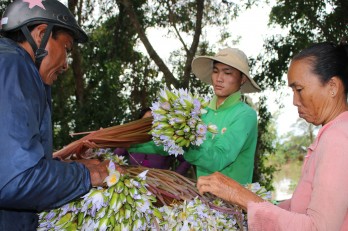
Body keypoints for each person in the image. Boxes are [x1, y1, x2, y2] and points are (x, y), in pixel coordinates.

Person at [197, 41, 348, 230]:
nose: (294, 101)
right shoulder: (334, 132)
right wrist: (253, 202)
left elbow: (317, 227)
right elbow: (299, 208)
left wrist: (239, 196)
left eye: (299, 89)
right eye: (292, 91)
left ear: (332, 86)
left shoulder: (338, 139)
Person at [0, 0, 114, 229]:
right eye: (67, 49)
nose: (66, 64)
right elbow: (15, 179)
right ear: (41, 35)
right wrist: (88, 176)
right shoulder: (15, 66)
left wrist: (57, 166)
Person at [129, 47, 261, 184]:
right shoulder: (201, 112)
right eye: (215, 71)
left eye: (227, 73)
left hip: (234, 203)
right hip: (204, 200)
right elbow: (162, 145)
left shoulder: (245, 115)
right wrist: (126, 142)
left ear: (242, 79)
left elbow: (219, 158)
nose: (219, 78)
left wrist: (185, 143)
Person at [115, 107, 192, 176]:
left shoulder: (166, 140)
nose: (149, 123)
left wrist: (174, 177)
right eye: (145, 120)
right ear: (139, 123)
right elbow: (114, 156)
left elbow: (187, 159)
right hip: (134, 184)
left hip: (160, 188)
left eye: (153, 119)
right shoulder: (133, 139)